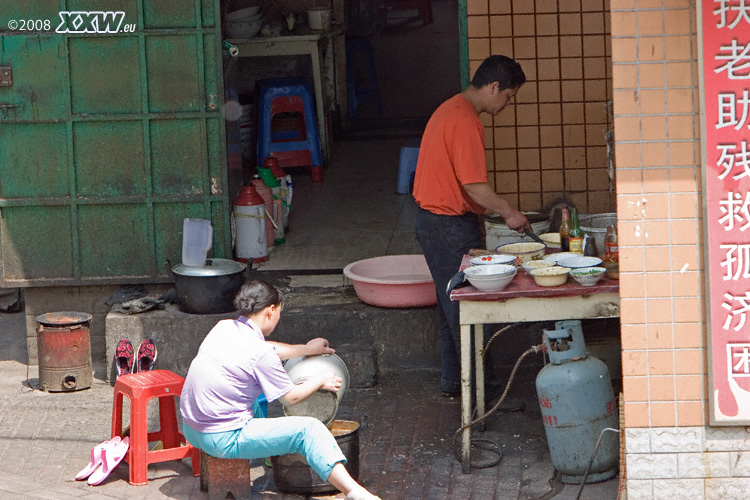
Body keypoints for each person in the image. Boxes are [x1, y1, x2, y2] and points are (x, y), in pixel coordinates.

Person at [179, 280, 380, 500]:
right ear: (270, 310)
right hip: (221, 438)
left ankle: (268, 452)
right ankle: (353, 491)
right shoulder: (260, 353)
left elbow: (270, 348)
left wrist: (307, 349)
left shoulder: (224, 327)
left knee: (256, 398)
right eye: (279, 313)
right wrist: (319, 379)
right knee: (309, 430)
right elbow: (291, 398)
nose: (278, 319)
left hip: (191, 429)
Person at [413, 55, 531, 402]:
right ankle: (486, 396)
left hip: (434, 222)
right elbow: (474, 186)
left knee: (451, 304)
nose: (507, 104)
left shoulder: (450, 109)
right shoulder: (465, 121)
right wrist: (509, 212)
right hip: (448, 226)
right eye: (508, 96)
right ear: (493, 87)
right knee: (470, 309)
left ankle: (456, 382)